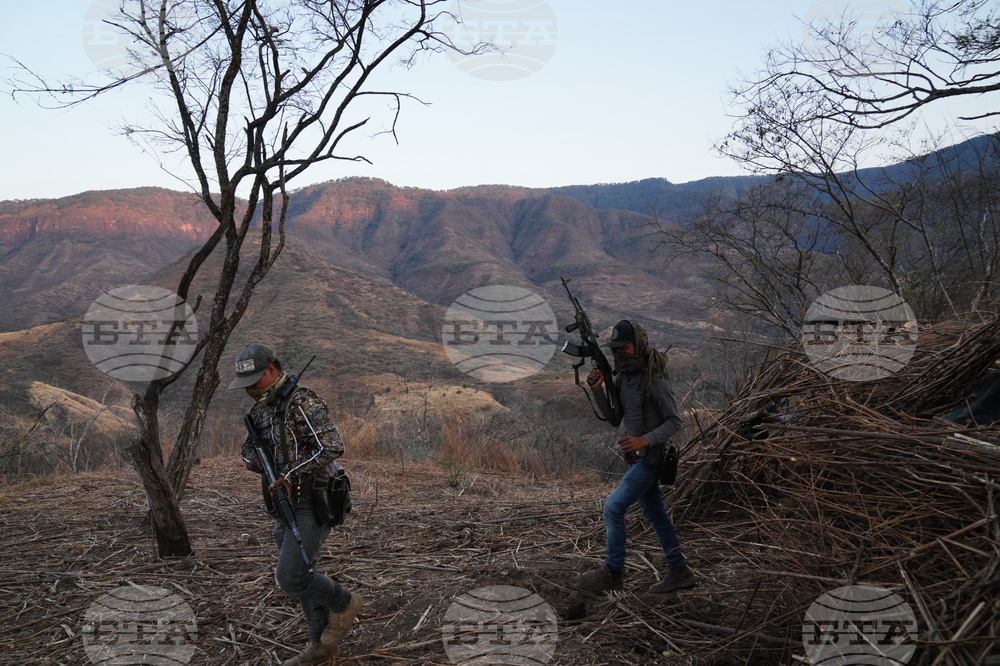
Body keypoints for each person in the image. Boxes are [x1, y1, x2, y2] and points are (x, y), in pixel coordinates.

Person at [231, 343, 362, 666]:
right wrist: (252, 461)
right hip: (282, 501)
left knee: (291, 577)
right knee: (305, 571)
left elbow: (332, 446)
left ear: (272, 370)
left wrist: (289, 473)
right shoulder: (263, 408)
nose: (249, 388)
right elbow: (248, 447)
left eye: (255, 379)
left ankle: (345, 604)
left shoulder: (300, 400)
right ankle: (320, 644)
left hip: (312, 498)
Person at [574, 320, 697, 594]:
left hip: (651, 459)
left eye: (624, 348)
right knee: (656, 514)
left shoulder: (656, 380)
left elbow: (675, 421)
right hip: (635, 460)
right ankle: (680, 571)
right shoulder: (623, 378)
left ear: (638, 345)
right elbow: (614, 417)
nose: (619, 354)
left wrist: (644, 439)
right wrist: (597, 391)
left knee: (613, 507)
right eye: (615, 349)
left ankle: (612, 573)